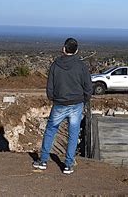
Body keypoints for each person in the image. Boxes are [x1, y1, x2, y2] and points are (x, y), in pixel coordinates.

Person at [33, 38, 92, 174]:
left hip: (59, 104)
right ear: (76, 50)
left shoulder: (55, 65)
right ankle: (67, 165)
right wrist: (84, 99)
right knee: (73, 134)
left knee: (50, 130)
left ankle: (42, 161)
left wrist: (53, 98)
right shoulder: (81, 66)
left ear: (63, 48)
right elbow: (88, 87)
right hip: (76, 104)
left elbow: (50, 86)